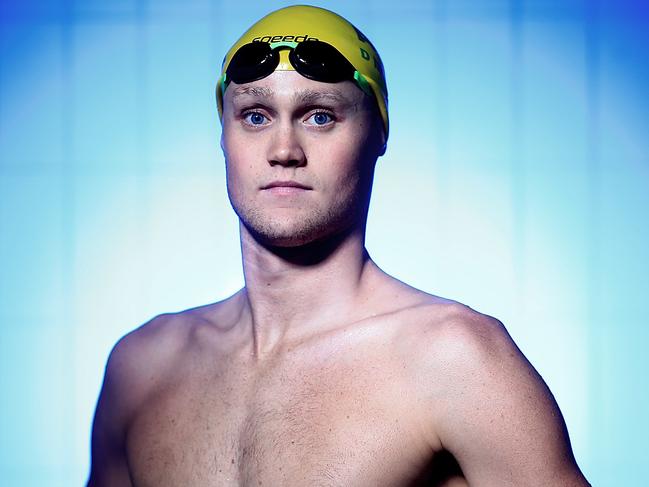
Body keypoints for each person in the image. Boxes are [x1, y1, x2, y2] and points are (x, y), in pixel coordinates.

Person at [87, 5, 590, 486]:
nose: (284, 150)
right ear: (223, 135)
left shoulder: (454, 360)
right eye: (256, 116)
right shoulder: (141, 367)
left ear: (378, 135)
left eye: (320, 116)